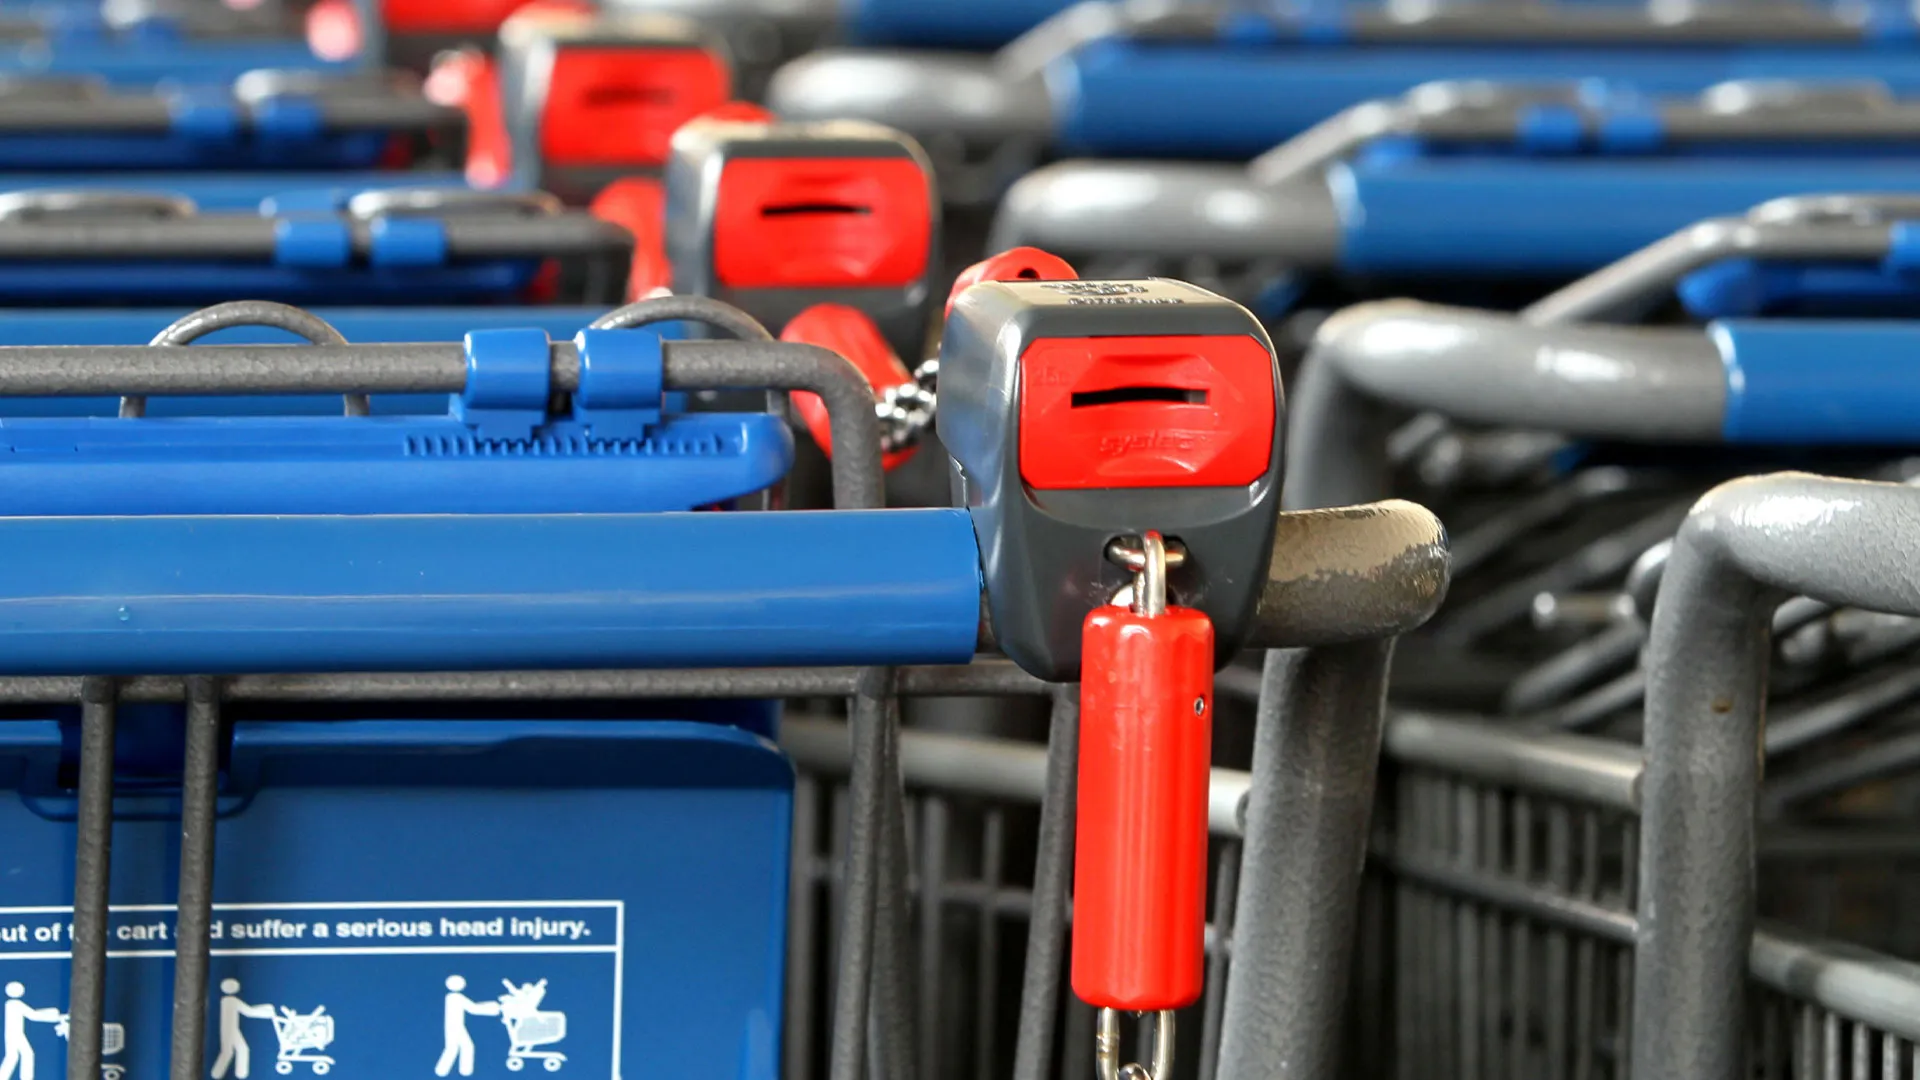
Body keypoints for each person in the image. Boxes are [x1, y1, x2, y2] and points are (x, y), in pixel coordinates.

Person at [434, 976, 499, 1078]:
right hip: (455, 1027)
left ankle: (463, 1071)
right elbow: (473, 1008)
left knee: (465, 1047)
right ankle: (442, 1070)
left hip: (456, 1026)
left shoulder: (452, 997)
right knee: (453, 1048)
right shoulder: (456, 998)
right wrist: (493, 1008)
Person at [210, 979, 275, 1080]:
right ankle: (219, 1074)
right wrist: (266, 1012)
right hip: (230, 1030)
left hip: (232, 1029)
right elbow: (248, 1011)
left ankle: (238, 1073)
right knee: (231, 1051)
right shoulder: (232, 1001)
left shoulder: (227, 1000)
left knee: (236, 1050)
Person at [0, 982, 63, 1080]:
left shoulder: (11, 1004)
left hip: (16, 1034)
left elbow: (33, 1014)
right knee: (20, 1055)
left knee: (17, 1055)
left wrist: (54, 1014)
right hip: (15, 1034)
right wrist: (54, 1015)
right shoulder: (15, 1004)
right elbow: (33, 1015)